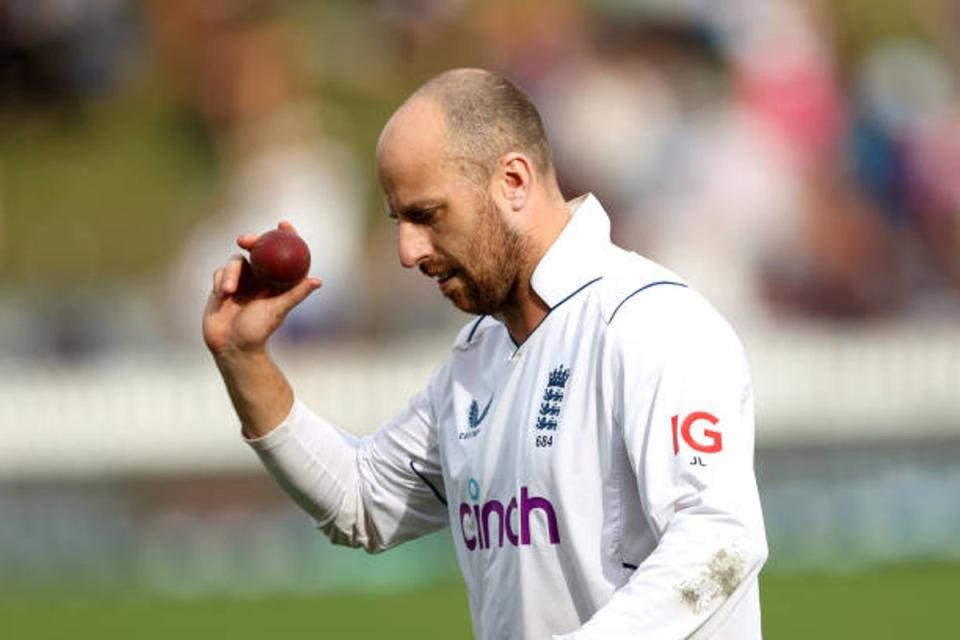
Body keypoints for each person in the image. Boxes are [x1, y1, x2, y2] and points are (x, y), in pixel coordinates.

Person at [203, 68, 767, 639]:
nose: (407, 251)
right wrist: (243, 356)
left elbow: (720, 542)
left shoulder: (650, 322)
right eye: (398, 221)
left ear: (514, 180)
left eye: (426, 215)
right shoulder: (479, 357)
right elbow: (361, 500)